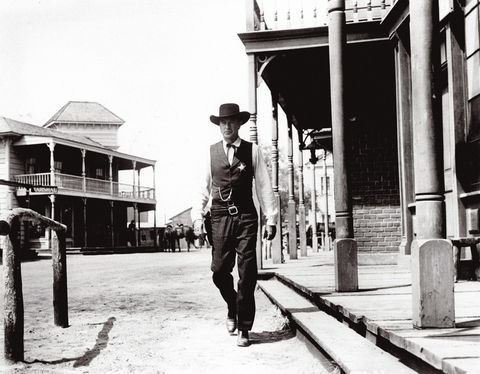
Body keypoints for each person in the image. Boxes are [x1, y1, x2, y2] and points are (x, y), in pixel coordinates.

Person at [192, 103, 278, 347]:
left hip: (246, 217)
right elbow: (202, 187)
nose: (227, 126)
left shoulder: (252, 151)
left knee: (247, 273)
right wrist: (198, 217)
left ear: (239, 124)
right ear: (219, 125)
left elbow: (263, 185)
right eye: (222, 122)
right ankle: (232, 305)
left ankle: (244, 327)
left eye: (231, 122)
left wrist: (270, 218)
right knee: (219, 271)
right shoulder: (210, 153)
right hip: (219, 216)